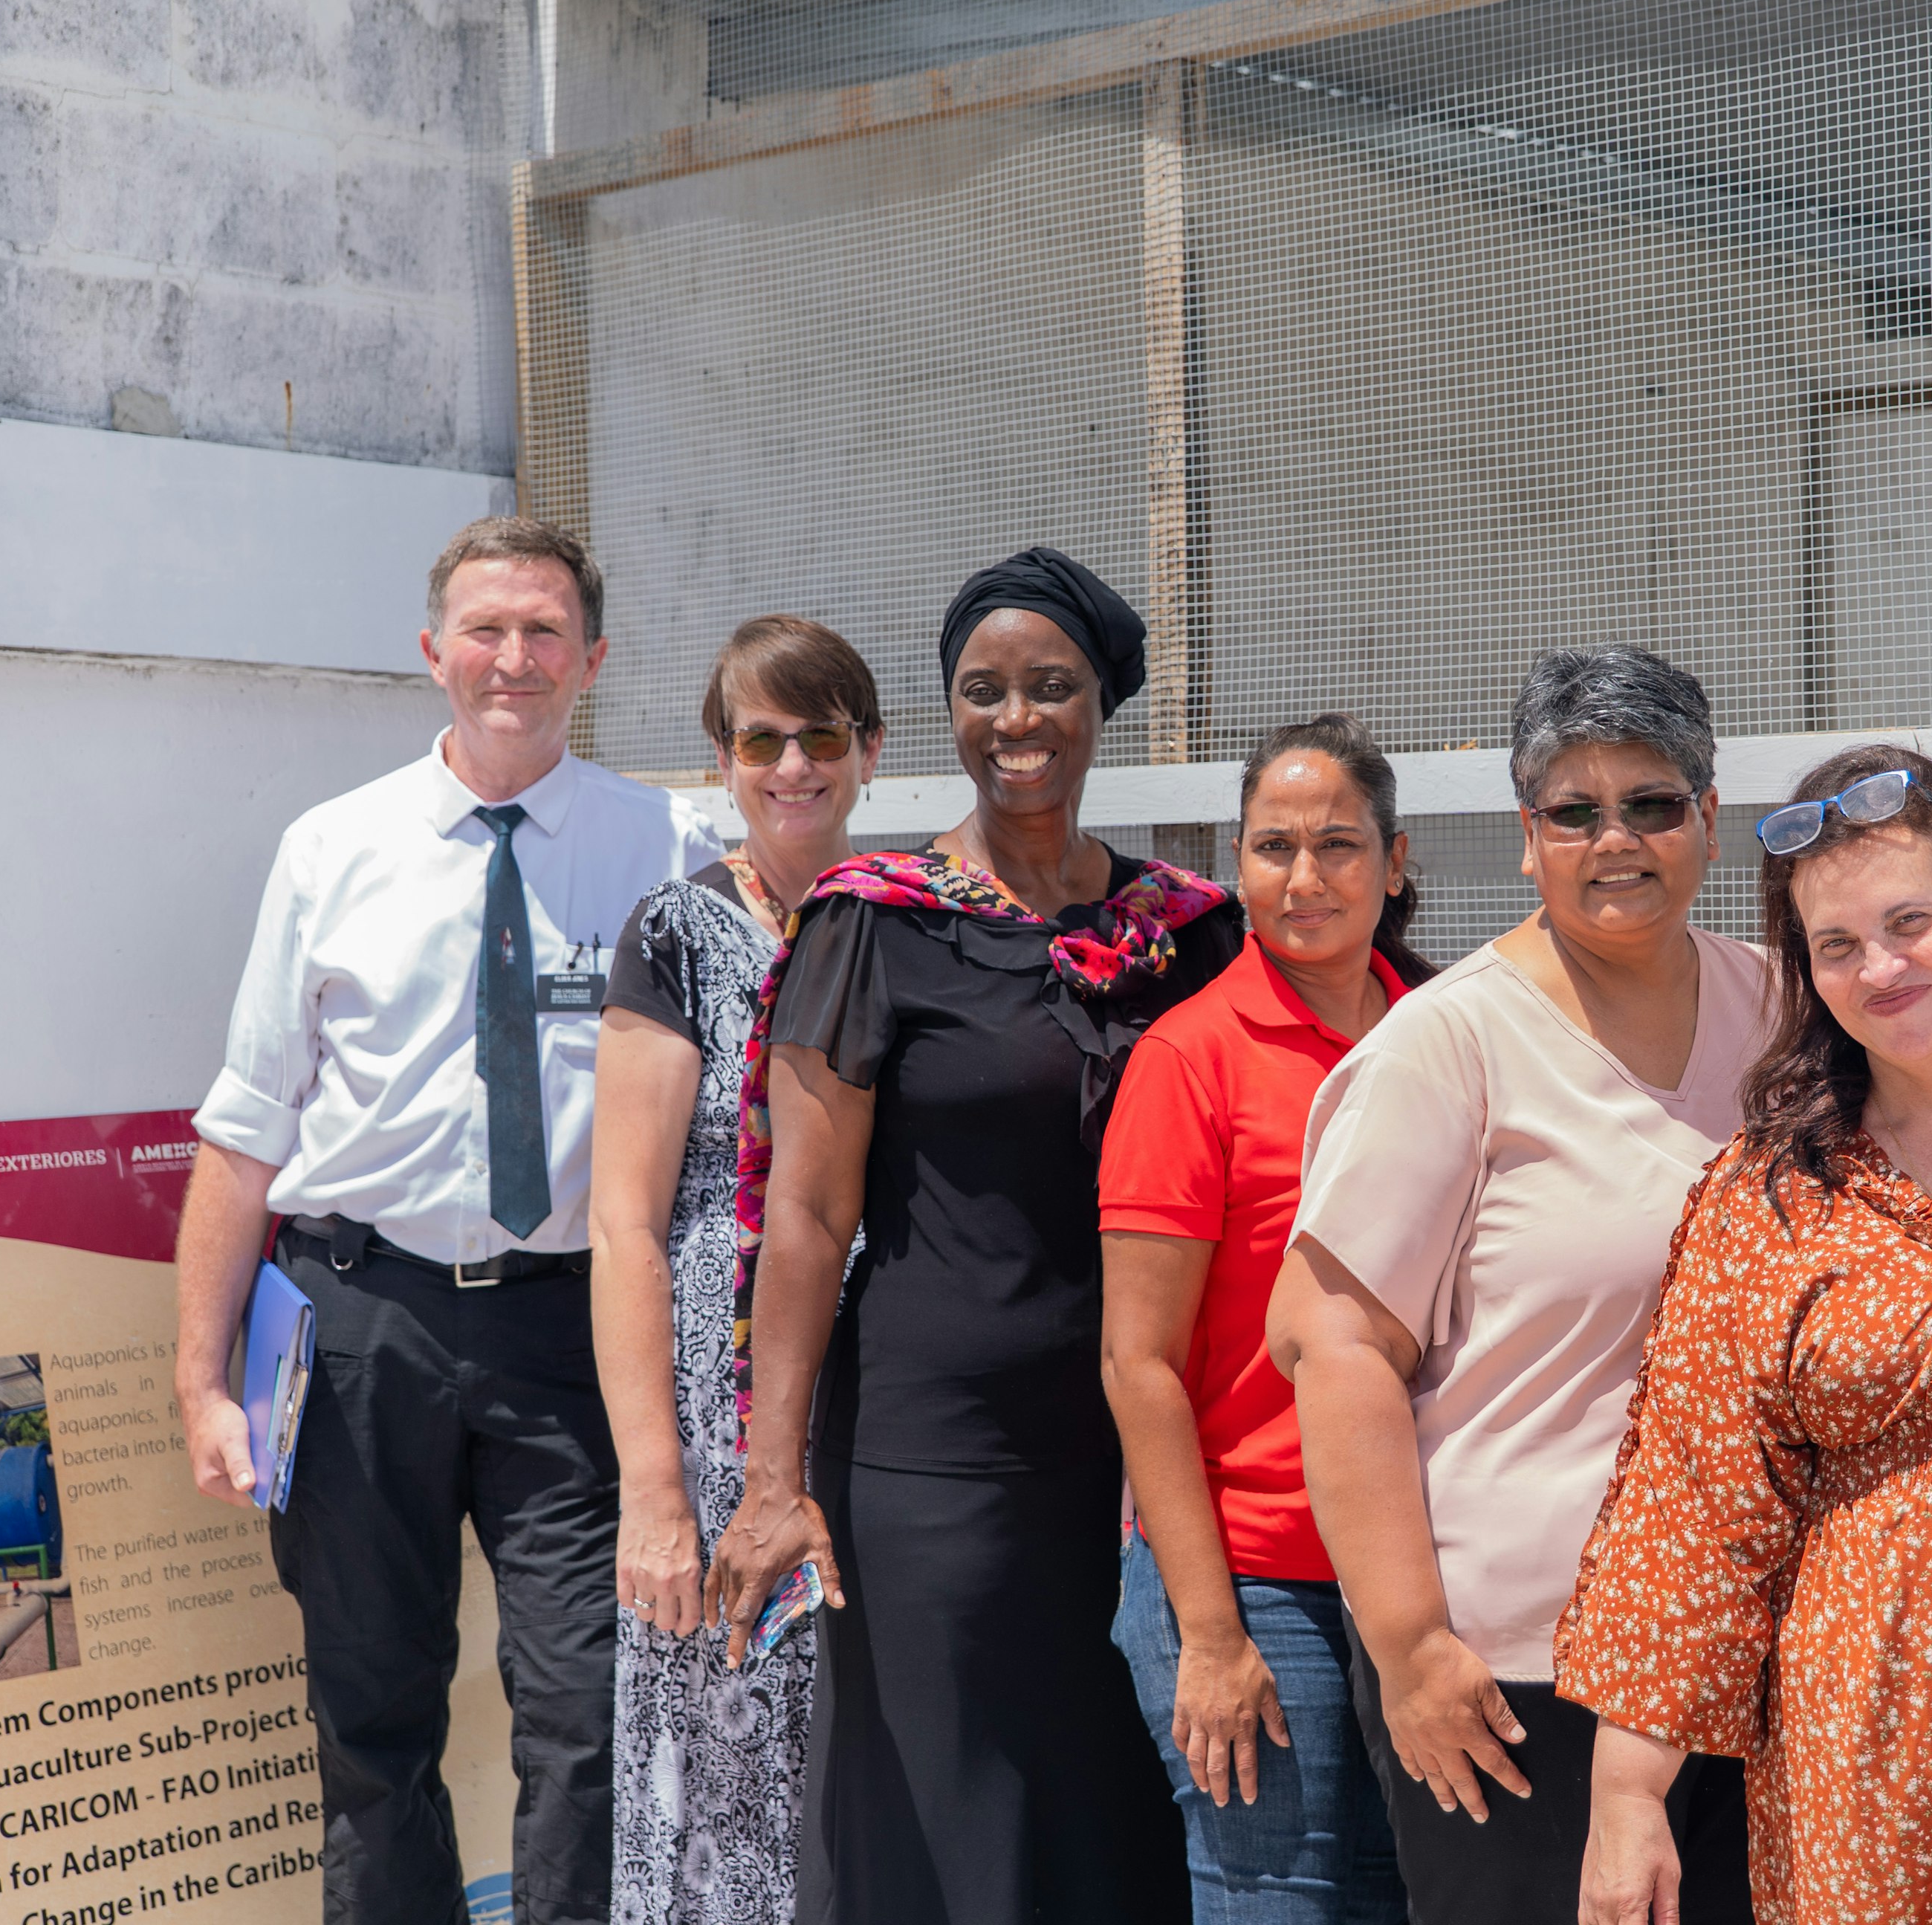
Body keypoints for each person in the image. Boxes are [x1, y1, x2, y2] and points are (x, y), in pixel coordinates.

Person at [175, 516, 723, 1924]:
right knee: (371, 1727)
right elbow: (245, 1134)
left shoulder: (673, 845)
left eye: (546, 632)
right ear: (434, 654)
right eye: (486, 629)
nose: (514, 658)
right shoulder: (330, 849)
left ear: (593, 660)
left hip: (575, 1330)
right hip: (361, 1325)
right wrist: (200, 1384)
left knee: (590, 1719)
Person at [704, 546, 1240, 1925]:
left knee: (1123, 1807)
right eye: (983, 690)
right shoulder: (875, 924)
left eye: (1051, 687)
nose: (1018, 721)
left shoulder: (1190, 932)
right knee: (949, 1814)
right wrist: (773, 1483)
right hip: (938, 1461)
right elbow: (811, 1220)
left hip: (1145, 1459)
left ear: (1101, 704)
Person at [1267, 646, 1770, 1925]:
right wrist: (1410, 1649)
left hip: (1744, 1647)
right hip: (1519, 1678)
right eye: (1576, 811)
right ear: (1527, 835)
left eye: (1654, 803)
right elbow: (1332, 1348)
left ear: (1710, 819)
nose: (1619, 839)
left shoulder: (1779, 1009)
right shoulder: (1450, 1043)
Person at [1560, 745, 1932, 1925]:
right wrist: (1628, 1802)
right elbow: (1692, 1505)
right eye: (1836, 947)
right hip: (1864, 1731)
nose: (1881, 969)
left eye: (1912, 921)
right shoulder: (1771, 1193)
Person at [1100, 713, 1427, 1924]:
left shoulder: (1443, 1033)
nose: (1304, 879)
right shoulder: (1191, 1058)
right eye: (1273, 846)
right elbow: (1139, 1364)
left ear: (1395, 864)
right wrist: (1208, 1631)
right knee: (1279, 1903)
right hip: (1256, 1580)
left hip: (1418, 1576)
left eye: (1339, 845)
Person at [591, 618, 885, 1925]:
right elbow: (626, 1230)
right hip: (715, 1426)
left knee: (861, 1746)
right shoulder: (674, 931)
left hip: (877, 1399)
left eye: (820, 735)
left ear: (868, 752)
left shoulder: (906, 922)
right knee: (720, 1760)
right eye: (761, 739)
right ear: (723, 760)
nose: (792, 766)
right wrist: (655, 1493)